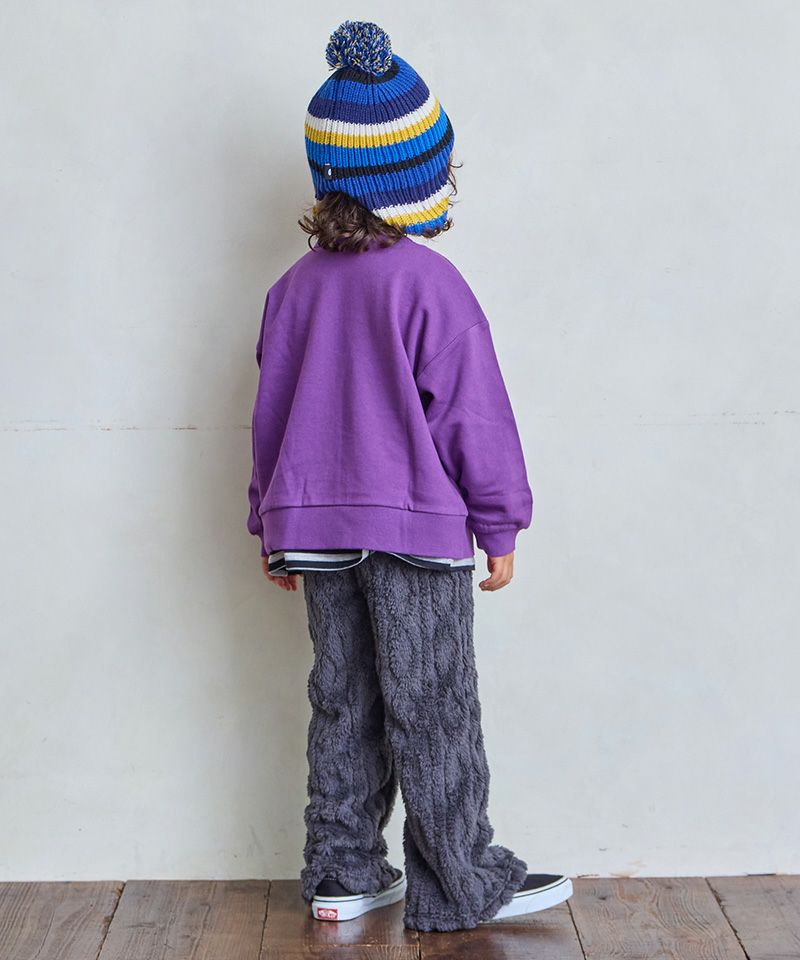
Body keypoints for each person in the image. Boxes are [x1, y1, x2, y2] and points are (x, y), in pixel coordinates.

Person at [246, 19, 573, 933]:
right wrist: (499, 522)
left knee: (342, 699)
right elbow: (473, 415)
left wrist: (269, 525)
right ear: (413, 178)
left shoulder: (290, 290)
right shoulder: (430, 284)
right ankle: (461, 883)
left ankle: (341, 875)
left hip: (314, 532)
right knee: (433, 704)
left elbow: (269, 420)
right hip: (413, 534)